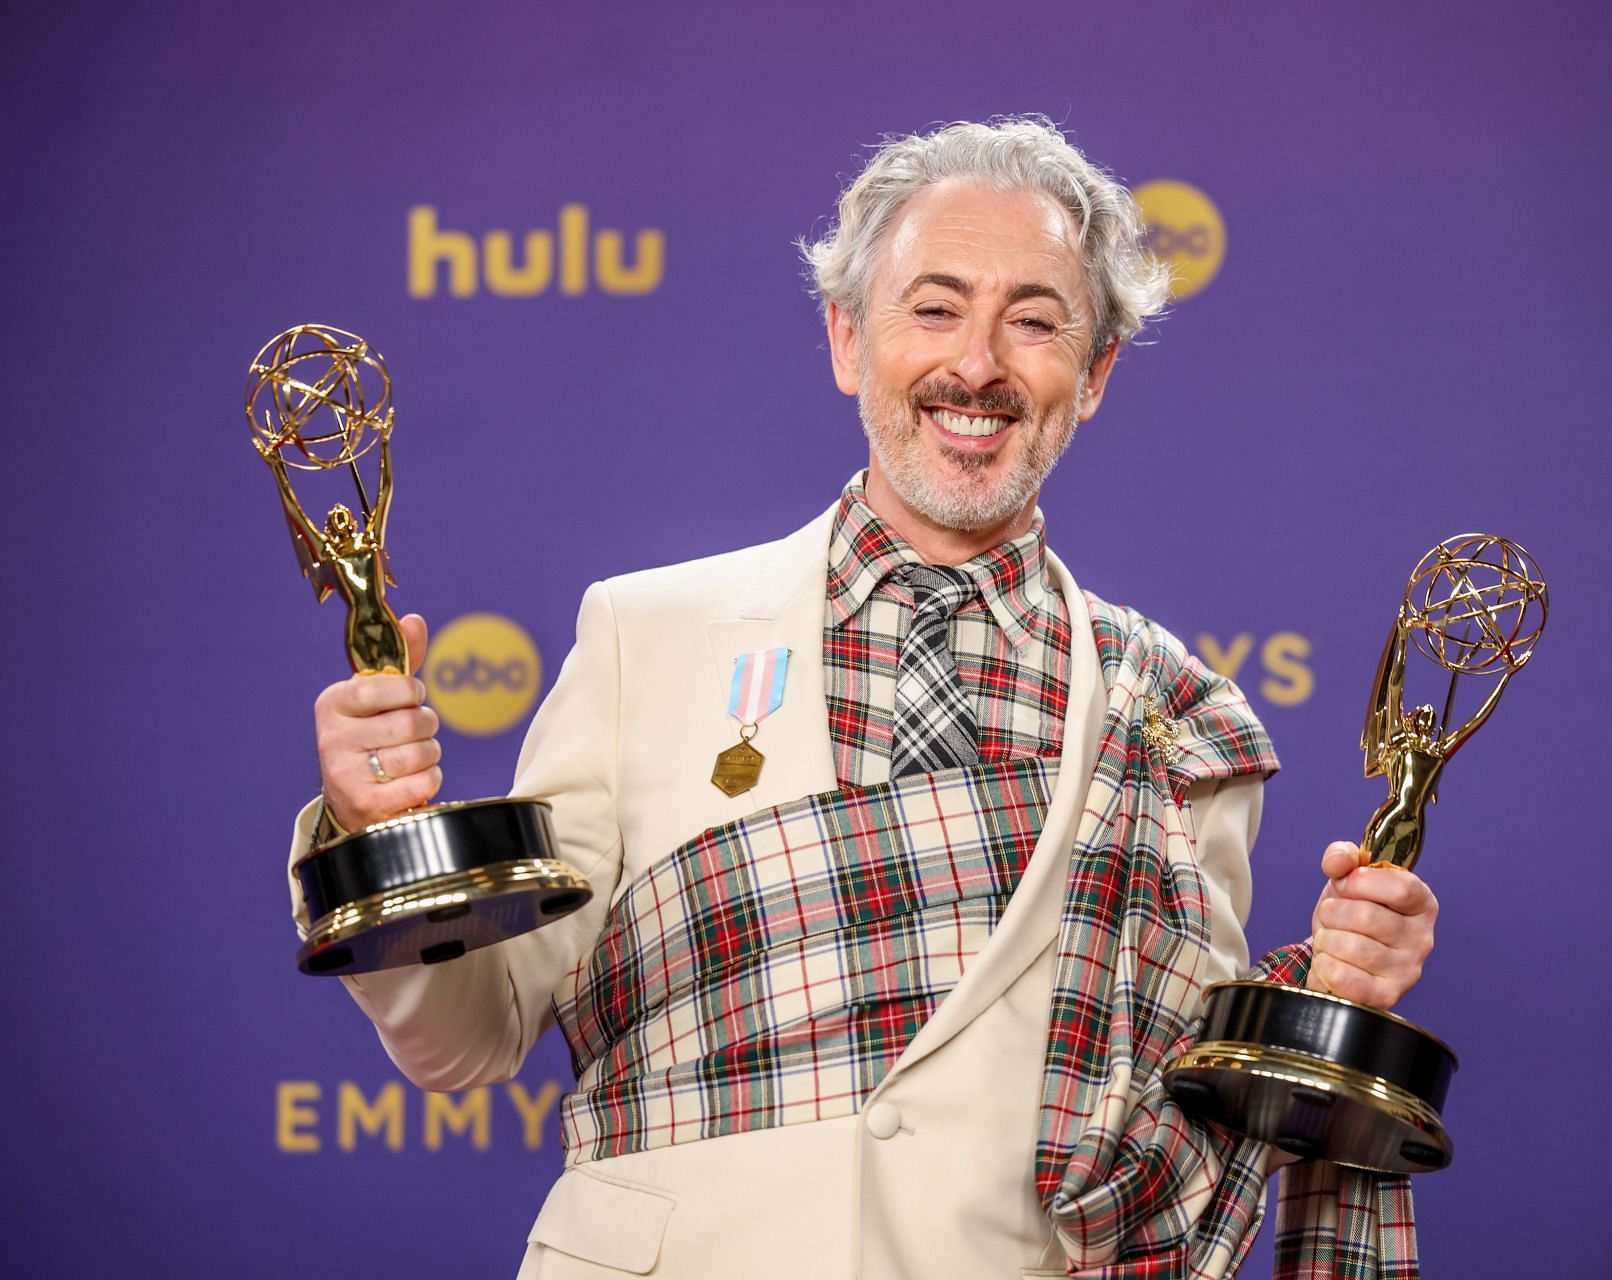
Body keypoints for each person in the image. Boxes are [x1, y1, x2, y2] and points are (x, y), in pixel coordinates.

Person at [289, 118, 1440, 1279]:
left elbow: (1159, 1118)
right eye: (933, 308)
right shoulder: (647, 633)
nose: (978, 363)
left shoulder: (1180, 720)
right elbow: (471, 1030)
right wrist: (377, 836)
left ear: (1092, 376)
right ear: (847, 338)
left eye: (1034, 320)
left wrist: (1341, 987)